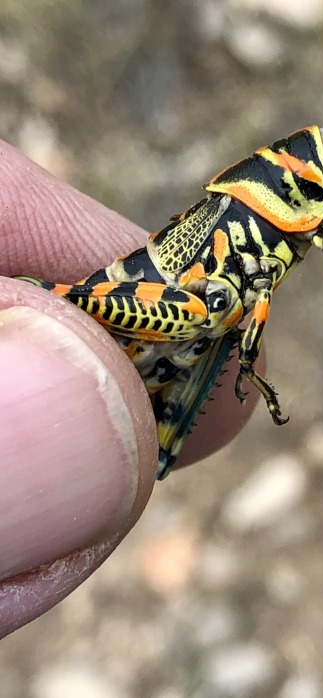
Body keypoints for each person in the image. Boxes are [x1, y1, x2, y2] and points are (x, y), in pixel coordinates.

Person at [0, 140, 257, 637]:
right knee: (63, 303)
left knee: (223, 329)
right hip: (145, 302)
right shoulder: (253, 201)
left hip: (185, 335)